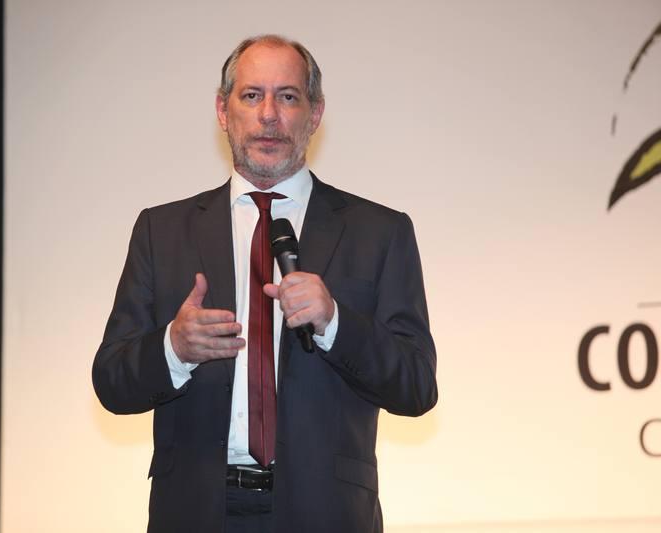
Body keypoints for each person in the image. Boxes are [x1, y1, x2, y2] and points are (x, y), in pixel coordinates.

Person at [92, 34, 437, 533]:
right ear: (223, 110)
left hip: (325, 513)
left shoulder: (379, 232)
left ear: (315, 114)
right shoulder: (160, 231)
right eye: (252, 95)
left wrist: (335, 322)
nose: (269, 114)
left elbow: (417, 386)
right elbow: (111, 382)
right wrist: (173, 348)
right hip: (194, 511)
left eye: (288, 96)